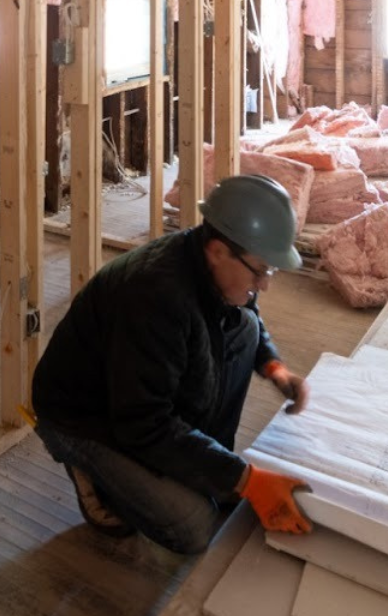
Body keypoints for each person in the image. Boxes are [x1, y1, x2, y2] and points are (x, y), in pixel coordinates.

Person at [30, 174, 316, 554]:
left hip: (132, 392)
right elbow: (143, 425)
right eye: (260, 271)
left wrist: (273, 367)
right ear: (218, 251)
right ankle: (90, 472)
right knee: (194, 526)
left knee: (243, 329)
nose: (264, 284)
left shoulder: (212, 267)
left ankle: (206, 464)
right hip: (83, 416)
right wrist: (245, 480)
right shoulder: (155, 298)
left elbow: (250, 314)